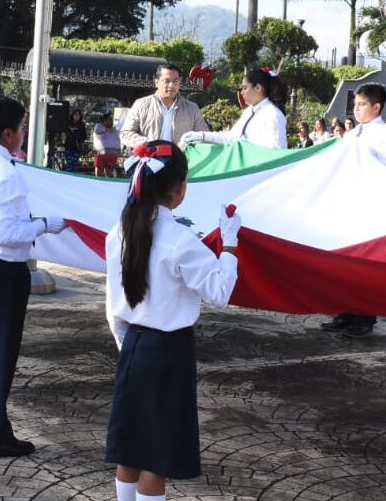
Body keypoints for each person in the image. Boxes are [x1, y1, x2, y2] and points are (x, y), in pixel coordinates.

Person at [104, 140, 240, 501]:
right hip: (167, 350)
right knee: (156, 455)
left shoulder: (117, 233)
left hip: (132, 344)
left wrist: (127, 344)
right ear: (180, 190)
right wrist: (229, 245)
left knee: (130, 445)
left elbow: (113, 307)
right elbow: (220, 291)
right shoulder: (180, 240)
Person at [0, 95, 69, 459]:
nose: (23, 133)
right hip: (0, 269)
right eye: (21, 127)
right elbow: (7, 233)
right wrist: (45, 225)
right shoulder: (6, 173)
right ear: (7, 134)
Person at [322, 83, 386, 339]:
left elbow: (384, 173)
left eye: (362, 104)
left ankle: (364, 316)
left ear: (376, 107)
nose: (356, 109)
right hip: (348, 204)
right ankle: (345, 310)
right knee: (344, 263)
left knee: (365, 265)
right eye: (355, 104)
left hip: (370, 207)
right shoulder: (353, 133)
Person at [181, 69, 288, 150]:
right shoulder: (250, 111)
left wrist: (245, 147)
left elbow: (277, 150)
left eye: (245, 88)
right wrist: (201, 136)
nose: (242, 93)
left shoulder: (272, 114)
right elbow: (231, 137)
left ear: (258, 88)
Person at [121, 65, 210, 150]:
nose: (171, 85)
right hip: (149, 160)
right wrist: (149, 143)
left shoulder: (192, 109)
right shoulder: (141, 104)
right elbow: (125, 134)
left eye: (175, 81)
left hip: (180, 162)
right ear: (156, 82)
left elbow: (204, 136)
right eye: (167, 81)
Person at [93, 113, 121, 178]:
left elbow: (118, 139)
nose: (111, 121)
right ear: (104, 121)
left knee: (109, 170)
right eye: (109, 119)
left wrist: (119, 149)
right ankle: (97, 182)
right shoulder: (99, 127)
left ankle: (108, 183)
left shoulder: (115, 130)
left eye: (111, 119)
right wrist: (107, 129)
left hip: (113, 153)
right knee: (99, 169)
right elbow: (98, 130)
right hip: (100, 153)